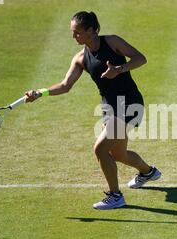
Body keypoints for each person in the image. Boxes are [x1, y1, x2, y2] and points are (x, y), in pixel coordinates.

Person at [24, 11, 161, 210]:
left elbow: (141, 58)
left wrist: (120, 69)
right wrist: (39, 93)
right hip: (109, 107)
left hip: (129, 103)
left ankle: (115, 196)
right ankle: (148, 172)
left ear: (90, 30)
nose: (73, 36)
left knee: (100, 148)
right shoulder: (80, 58)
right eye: (72, 32)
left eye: (77, 32)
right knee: (118, 155)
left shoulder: (112, 41)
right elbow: (65, 85)